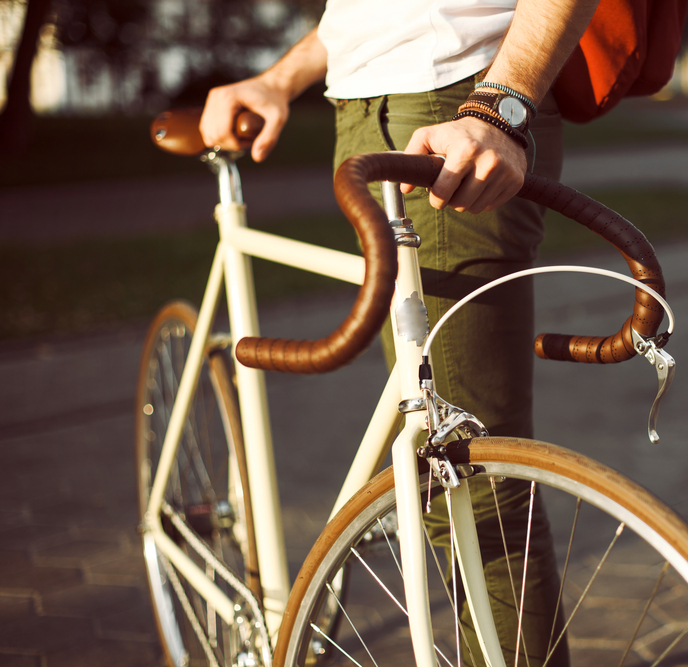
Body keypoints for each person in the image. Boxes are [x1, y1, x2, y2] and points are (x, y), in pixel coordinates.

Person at [200, 1, 600, 664]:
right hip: (364, 110)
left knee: (476, 487)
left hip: (458, 110)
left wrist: (501, 101)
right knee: (449, 476)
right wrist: (279, 78)